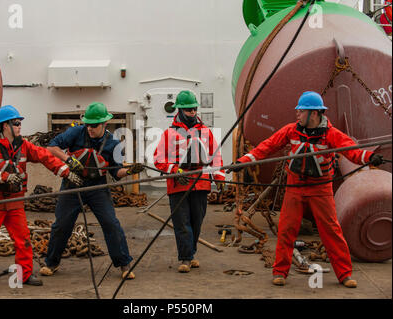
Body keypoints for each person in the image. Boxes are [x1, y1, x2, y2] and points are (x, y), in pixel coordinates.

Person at [227, 91, 384, 288]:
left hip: (320, 189)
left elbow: (350, 150)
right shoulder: (291, 131)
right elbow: (267, 146)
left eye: (301, 111)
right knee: (286, 230)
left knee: (331, 231)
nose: (297, 114)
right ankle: (280, 272)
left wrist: (369, 158)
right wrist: (242, 162)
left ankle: (344, 274)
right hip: (295, 188)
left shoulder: (331, 134)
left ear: (314, 113)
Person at [0, 105, 81, 286]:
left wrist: (65, 171)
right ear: (4, 126)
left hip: (15, 201)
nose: (19, 126)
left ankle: (24, 275)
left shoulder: (23, 146)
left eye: (20, 123)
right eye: (16, 123)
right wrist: (6, 177)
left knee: (23, 239)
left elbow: (45, 156)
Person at [40, 102, 144, 279]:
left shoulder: (113, 144)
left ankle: (124, 264)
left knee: (111, 223)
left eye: (94, 125)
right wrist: (68, 159)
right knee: (61, 224)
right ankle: (52, 263)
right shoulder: (76, 132)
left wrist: (130, 171)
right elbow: (51, 147)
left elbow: (116, 173)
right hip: (73, 184)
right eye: (87, 124)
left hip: (97, 188)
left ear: (104, 124)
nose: (90, 128)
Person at [154, 90, 225, 273]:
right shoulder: (169, 134)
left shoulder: (205, 132)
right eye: (188, 110)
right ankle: (185, 258)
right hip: (178, 183)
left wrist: (219, 177)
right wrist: (174, 170)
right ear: (179, 110)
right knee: (182, 222)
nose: (192, 113)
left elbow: (215, 156)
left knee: (197, 221)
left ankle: (190, 253)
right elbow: (158, 159)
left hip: (200, 182)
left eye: (194, 109)